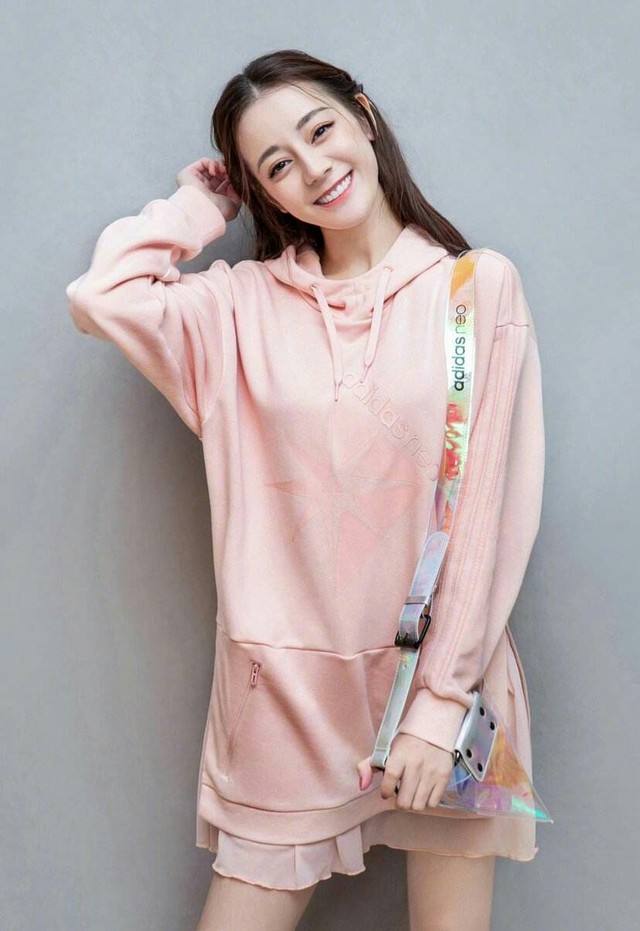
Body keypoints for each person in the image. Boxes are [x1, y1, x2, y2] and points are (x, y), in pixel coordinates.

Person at [66, 48, 545, 931]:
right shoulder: (237, 308)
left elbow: (487, 515)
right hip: (282, 699)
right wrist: (199, 206)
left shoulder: (475, 287)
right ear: (265, 193)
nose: (315, 167)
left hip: (441, 685)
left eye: (320, 130)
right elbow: (102, 296)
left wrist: (440, 706)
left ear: (363, 114)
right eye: (277, 164)